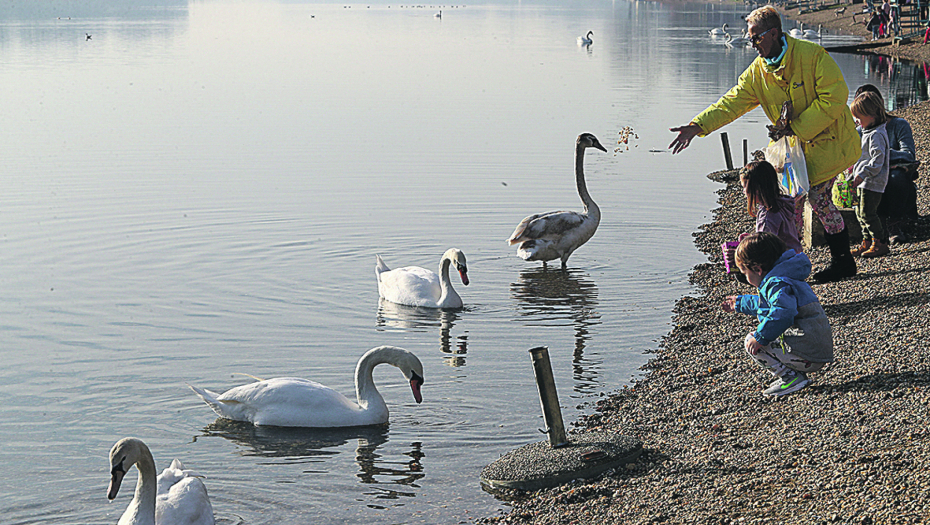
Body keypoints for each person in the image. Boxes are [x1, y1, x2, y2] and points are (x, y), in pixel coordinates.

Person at [669, 5, 861, 283]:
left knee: (814, 200)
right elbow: (731, 103)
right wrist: (698, 126)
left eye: (756, 37)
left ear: (773, 33)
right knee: (795, 205)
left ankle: (828, 264)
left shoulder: (812, 56)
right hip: (797, 153)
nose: (751, 43)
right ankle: (791, 265)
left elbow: (835, 96)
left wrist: (795, 127)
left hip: (832, 145)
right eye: (750, 38)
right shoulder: (758, 72)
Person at [722, 232, 833, 397]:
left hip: (809, 354)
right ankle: (792, 374)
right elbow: (768, 304)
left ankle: (791, 378)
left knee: (751, 340)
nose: (746, 277)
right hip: (817, 348)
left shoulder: (776, 284)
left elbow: (783, 312)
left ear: (758, 269)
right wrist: (739, 303)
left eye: (745, 273)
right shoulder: (786, 274)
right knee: (765, 331)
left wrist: (760, 337)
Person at [854, 84, 919, 243]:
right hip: (872, 180)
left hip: (895, 180)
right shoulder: (861, 130)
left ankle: (895, 224)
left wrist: (882, 158)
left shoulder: (898, 125)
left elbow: (909, 155)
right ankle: (869, 234)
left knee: (896, 177)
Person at [724, 160, 805, 280]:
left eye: (744, 187)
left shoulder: (767, 216)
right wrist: (750, 238)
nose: (743, 192)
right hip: (797, 260)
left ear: (756, 189)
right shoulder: (784, 203)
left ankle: (766, 286)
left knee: (740, 272)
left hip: (784, 268)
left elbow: (763, 249)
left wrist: (738, 254)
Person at [848, 91, 891, 258]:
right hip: (863, 181)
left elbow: (877, 161)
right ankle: (866, 241)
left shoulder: (877, 135)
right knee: (859, 212)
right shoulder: (867, 131)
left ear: (872, 115)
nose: (856, 121)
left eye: (858, 117)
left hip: (873, 182)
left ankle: (880, 242)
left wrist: (863, 173)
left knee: (867, 212)